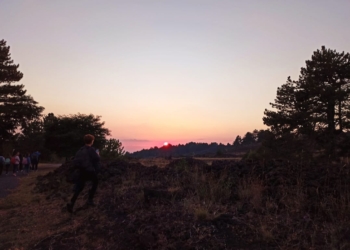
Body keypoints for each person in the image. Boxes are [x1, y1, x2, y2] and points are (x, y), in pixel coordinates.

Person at [67, 134, 100, 213]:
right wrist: (98, 154)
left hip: (81, 171)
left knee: (79, 188)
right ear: (92, 141)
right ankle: (90, 200)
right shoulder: (91, 150)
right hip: (90, 170)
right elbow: (97, 159)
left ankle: (71, 203)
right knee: (95, 182)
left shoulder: (80, 150)